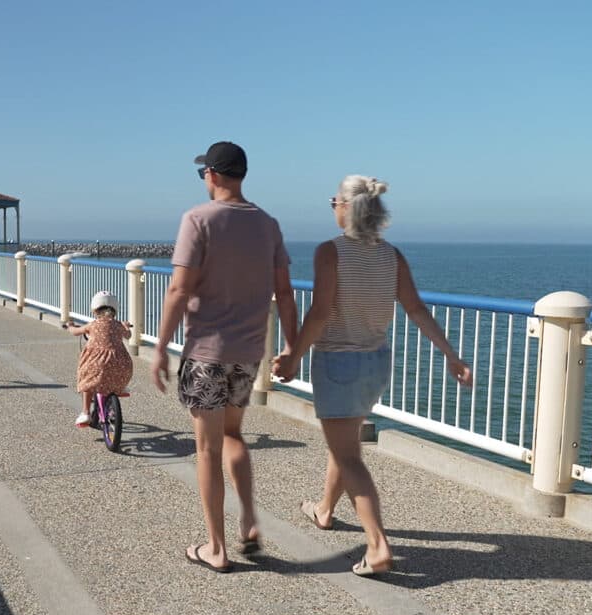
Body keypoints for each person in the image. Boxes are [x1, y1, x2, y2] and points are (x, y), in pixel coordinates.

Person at [274, 175, 473, 577]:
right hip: (376, 364)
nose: (332, 206)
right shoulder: (391, 255)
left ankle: (378, 545)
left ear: (347, 208)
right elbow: (416, 309)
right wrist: (450, 354)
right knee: (344, 440)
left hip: (339, 363)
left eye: (334, 201)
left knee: (348, 453)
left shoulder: (330, 253)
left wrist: (293, 355)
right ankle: (324, 510)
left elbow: (321, 312)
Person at [151, 141, 298, 573]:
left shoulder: (198, 219)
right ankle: (249, 517)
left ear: (212, 175)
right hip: (248, 352)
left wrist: (160, 347)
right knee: (234, 434)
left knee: (207, 449)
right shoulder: (268, 224)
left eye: (203, 173)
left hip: (206, 353)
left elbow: (179, 289)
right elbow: (285, 294)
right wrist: (290, 347)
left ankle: (216, 548)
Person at [65, 291, 133, 427]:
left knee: (87, 380)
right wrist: (126, 326)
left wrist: (70, 326)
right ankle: (113, 408)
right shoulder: (118, 325)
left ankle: (85, 412)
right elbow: (128, 335)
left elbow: (74, 332)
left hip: (98, 363)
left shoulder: (92, 325)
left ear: (95, 310)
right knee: (113, 378)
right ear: (114, 310)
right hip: (122, 364)